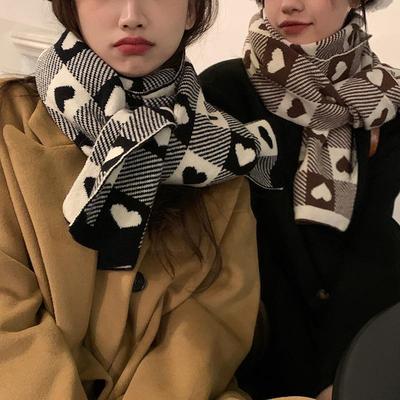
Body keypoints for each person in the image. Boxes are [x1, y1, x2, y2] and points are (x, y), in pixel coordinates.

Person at [0, 0, 286, 399]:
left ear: (191, 11)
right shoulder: (9, 122)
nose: (131, 16)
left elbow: (210, 331)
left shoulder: (221, 152)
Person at [200, 0, 400, 399]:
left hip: (361, 340)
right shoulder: (223, 92)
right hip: (248, 349)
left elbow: (373, 240)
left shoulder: (384, 99)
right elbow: (228, 244)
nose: (289, 4)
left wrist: (339, 372)